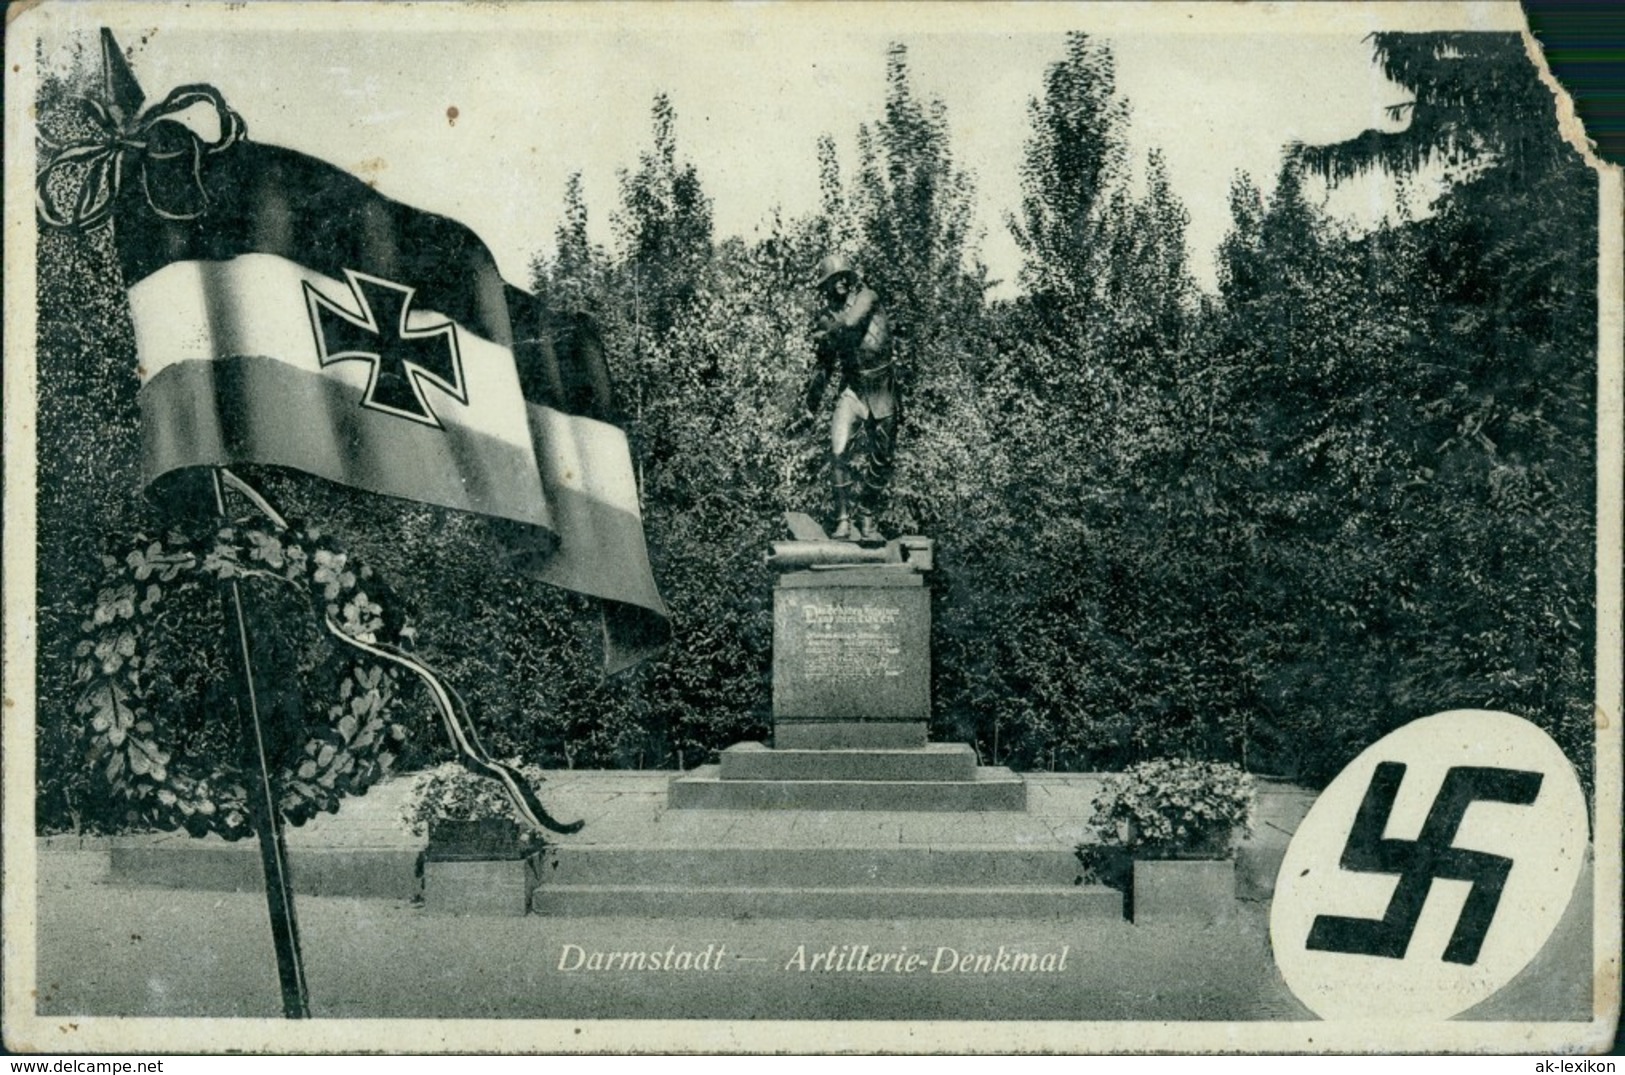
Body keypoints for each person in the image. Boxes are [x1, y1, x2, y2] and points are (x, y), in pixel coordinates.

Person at [803, 254, 899, 543]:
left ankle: (867, 515)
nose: (841, 281)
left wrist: (824, 330)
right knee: (838, 450)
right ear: (826, 286)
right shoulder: (828, 317)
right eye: (834, 279)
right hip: (853, 389)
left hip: (882, 388)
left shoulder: (867, 297)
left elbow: (852, 321)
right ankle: (842, 519)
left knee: (882, 458)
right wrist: (809, 408)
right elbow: (823, 368)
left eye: (844, 275)